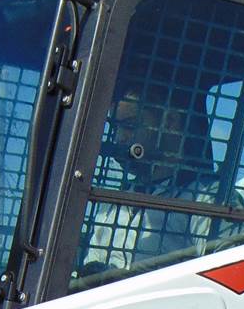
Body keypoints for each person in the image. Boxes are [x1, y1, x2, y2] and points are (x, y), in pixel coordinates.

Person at [76, 76, 227, 284]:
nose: (119, 138)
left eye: (129, 126)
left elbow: (230, 274)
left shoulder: (207, 199)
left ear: (170, 122)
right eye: (116, 129)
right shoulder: (112, 207)